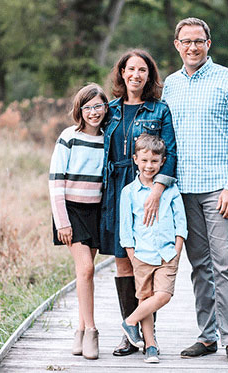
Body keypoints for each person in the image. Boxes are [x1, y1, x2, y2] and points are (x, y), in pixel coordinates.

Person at [162, 17, 228, 364]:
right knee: (199, 265)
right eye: (186, 41)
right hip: (183, 191)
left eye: (198, 41)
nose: (192, 47)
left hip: (218, 190)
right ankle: (207, 336)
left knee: (224, 264)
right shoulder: (170, 85)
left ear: (208, 44)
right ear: (177, 45)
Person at [99, 49, 177, 356]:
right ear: (121, 73)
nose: (135, 75)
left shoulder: (160, 110)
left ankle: (147, 332)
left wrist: (157, 190)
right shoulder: (111, 109)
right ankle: (128, 334)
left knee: (146, 263)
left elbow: (170, 154)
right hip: (115, 191)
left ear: (149, 75)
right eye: (130, 69)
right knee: (123, 261)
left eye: (142, 70)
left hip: (146, 193)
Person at [49, 83, 108, 360]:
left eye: (98, 106)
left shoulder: (107, 138)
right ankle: (93, 331)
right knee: (85, 269)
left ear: (105, 108)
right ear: (79, 110)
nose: (94, 112)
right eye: (88, 107)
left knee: (87, 272)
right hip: (71, 211)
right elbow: (55, 182)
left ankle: (80, 330)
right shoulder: (68, 137)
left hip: (95, 210)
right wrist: (62, 221)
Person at [119, 133, 187, 364]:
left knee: (163, 295)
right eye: (145, 160)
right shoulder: (128, 192)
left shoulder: (171, 190)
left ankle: (129, 322)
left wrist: (177, 252)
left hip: (167, 253)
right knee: (145, 297)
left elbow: (181, 225)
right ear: (135, 159)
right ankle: (150, 347)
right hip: (142, 255)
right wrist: (133, 256)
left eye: (154, 161)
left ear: (162, 162)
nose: (149, 166)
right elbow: (126, 231)